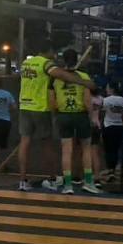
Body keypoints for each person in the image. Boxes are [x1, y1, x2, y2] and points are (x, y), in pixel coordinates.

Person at [15, 41, 88, 192]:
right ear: (47, 50)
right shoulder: (45, 64)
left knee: (24, 142)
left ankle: (22, 180)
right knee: (47, 144)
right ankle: (53, 178)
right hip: (41, 107)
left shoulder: (26, 63)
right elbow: (59, 74)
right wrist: (82, 81)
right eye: (53, 51)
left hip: (24, 106)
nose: (54, 55)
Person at [49, 48, 101, 195]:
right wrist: (91, 117)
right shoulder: (83, 76)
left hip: (63, 115)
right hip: (80, 115)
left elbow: (52, 101)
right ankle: (89, 182)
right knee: (86, 148)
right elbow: (87, 100)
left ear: (63, 60)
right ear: (76, 58)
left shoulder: (55, 78)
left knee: (66, 150)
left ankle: (67, 185)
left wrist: (55, 116)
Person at [101, 81, 123, 178]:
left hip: (108, 127)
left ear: (112, 89)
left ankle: (110, 169)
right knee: (116, 150)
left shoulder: (105, 100)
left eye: (108, 87)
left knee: (108, 149)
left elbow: (102, 114)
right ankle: (113, 169)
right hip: (119, 127)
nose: (106, 89)